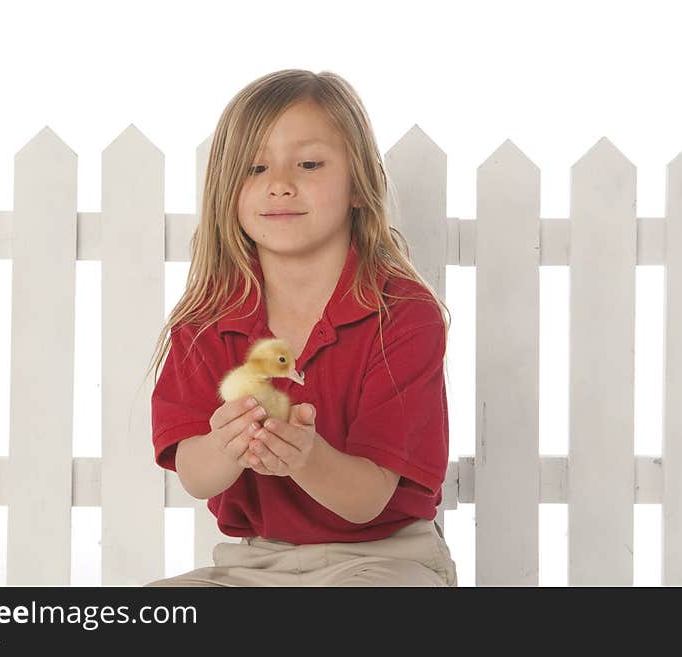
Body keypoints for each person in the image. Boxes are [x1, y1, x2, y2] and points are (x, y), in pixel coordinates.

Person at [143, 69, 457, 586]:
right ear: (228, 192)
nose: (280, 183)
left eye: (309, 164)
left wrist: (305, 457)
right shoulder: (206, 321)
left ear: (359, 185)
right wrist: (228, 445)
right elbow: (196, 477)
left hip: (385, 561)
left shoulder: (402, 313)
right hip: (254, 565)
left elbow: (366, 500)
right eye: (255, 166)